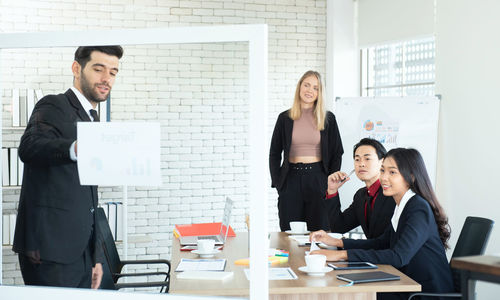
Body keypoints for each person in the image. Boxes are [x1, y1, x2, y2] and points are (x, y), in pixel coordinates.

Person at [13, 45, 124, 289]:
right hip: (50, 251)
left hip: (82, 252)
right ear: (76, 68)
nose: (107, 78)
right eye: (98, 69)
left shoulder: (93, 119)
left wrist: (96, 259)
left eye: (113, 72)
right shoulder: (53, 105)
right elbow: (29, 147)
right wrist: (75, 148)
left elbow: (89, 198)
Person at [311, 148, 454, 300]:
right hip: (408, 284)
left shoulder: (418, 207)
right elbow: (381, 243)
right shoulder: (402, 205)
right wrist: (337, 242)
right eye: (383, 171)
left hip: (426, 292)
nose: (384, 177)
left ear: (411, 177)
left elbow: (399, 256)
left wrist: (340, 255)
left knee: (351, 294)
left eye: (392, 172)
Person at [269, 70, 343, 232]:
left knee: (320, 231)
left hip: (318, 179)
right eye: (307, 85)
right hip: (291, 179)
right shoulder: (285, 118)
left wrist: (330, 181)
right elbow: (274, 153)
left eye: (315, 88)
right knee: (289, 233)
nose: (310, 90)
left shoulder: (328, 118)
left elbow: (337, 152)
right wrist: (278, 183)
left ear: (320, 93)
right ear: (300, 87)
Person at [325, 138, 395, 239]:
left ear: (382, 162)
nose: (361, 164)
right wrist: (332, 191)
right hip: (372, 253)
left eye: (367, 159)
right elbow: (338, 227)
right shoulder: (361, 196)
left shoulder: (392, 193)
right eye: (357, 159)